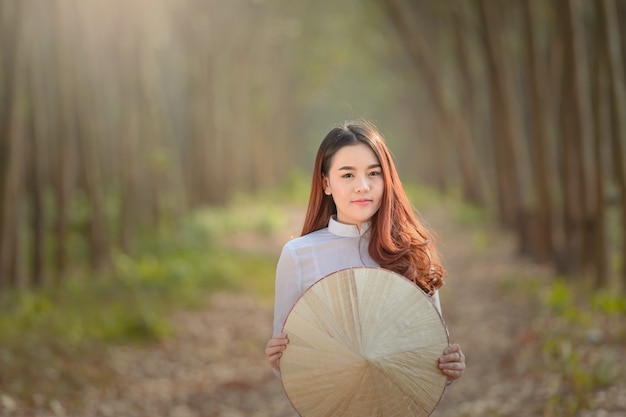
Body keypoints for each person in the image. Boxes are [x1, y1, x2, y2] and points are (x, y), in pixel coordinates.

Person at [265, 119, 465, 386]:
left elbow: (430, 354)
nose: (363, 186)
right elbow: (290, 364)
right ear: (326, 183)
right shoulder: (298, 256)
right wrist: (278, 359)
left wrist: (449, 368)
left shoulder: (414, 251)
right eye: (348, 175)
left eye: (373, 173)